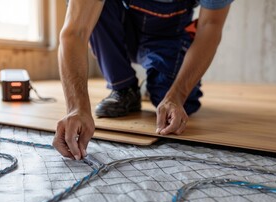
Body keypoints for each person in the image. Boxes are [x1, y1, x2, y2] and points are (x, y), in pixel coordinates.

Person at [53, 0, 233, 160]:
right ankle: (124, 88)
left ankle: (157, 81)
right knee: (96, 9)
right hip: (124, 30)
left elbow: (210, 26)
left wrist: (176, 96)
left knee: (176, 106)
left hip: (170, 38)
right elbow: (75, 31)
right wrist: (77, 107)